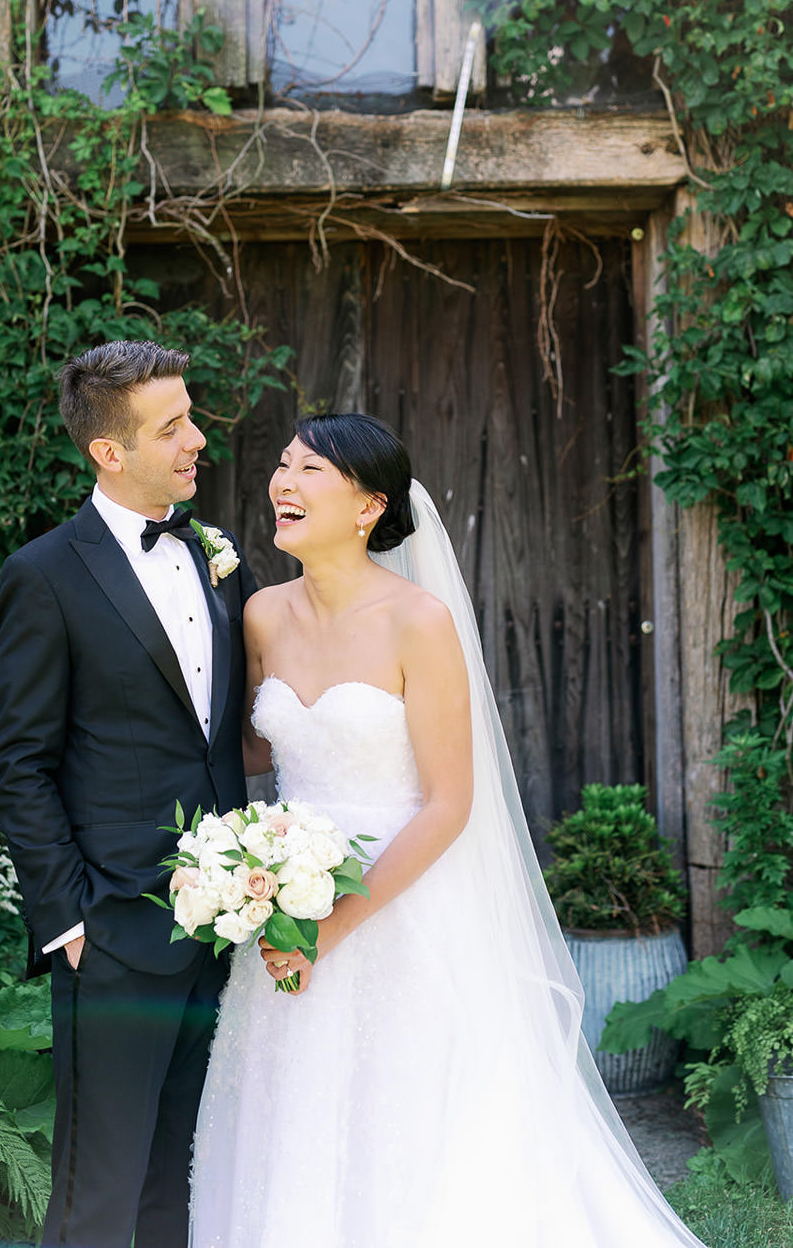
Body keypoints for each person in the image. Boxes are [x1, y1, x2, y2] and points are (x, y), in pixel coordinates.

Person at [189, 412, 708, 1248]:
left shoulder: (417, 621)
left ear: (369, 506)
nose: (283, 483)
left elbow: (448, 803)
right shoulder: (261, 615)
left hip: (399, 910)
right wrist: (238, 864)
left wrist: (333, 927)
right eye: (283, 466)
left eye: (309, 470)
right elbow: (255, 745)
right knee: (293, 1115)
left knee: (411, 1125)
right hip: (283, 900)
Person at [0, 340, 255, 1248]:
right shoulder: (45, 574)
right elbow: (17, 760)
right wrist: (67, 917)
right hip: (112, 928)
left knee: (180, 1173)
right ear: (110, 451)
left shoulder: (217, 557)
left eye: (191, 417)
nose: (197, 440)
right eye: (172, 427)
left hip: (225, 926)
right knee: (97, 1190)